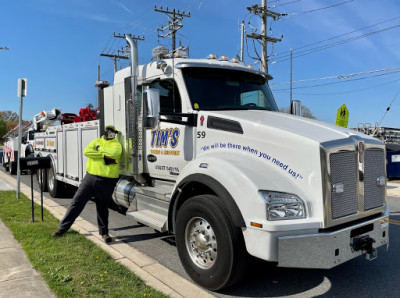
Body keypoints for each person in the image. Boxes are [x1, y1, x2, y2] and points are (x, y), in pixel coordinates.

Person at [52, 125, 122, 243]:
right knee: (76, 202)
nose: (109, 132)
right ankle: (62, 228)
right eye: (107, 130)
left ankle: (104, 233)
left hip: (107, 180)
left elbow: (115, 154)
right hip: (90, 177)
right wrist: (103, 155)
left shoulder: (116, 144)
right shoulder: (96, 141)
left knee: (102, 207)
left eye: (111, 131)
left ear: (114, 133)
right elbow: (87, 151)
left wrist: (98, 150)